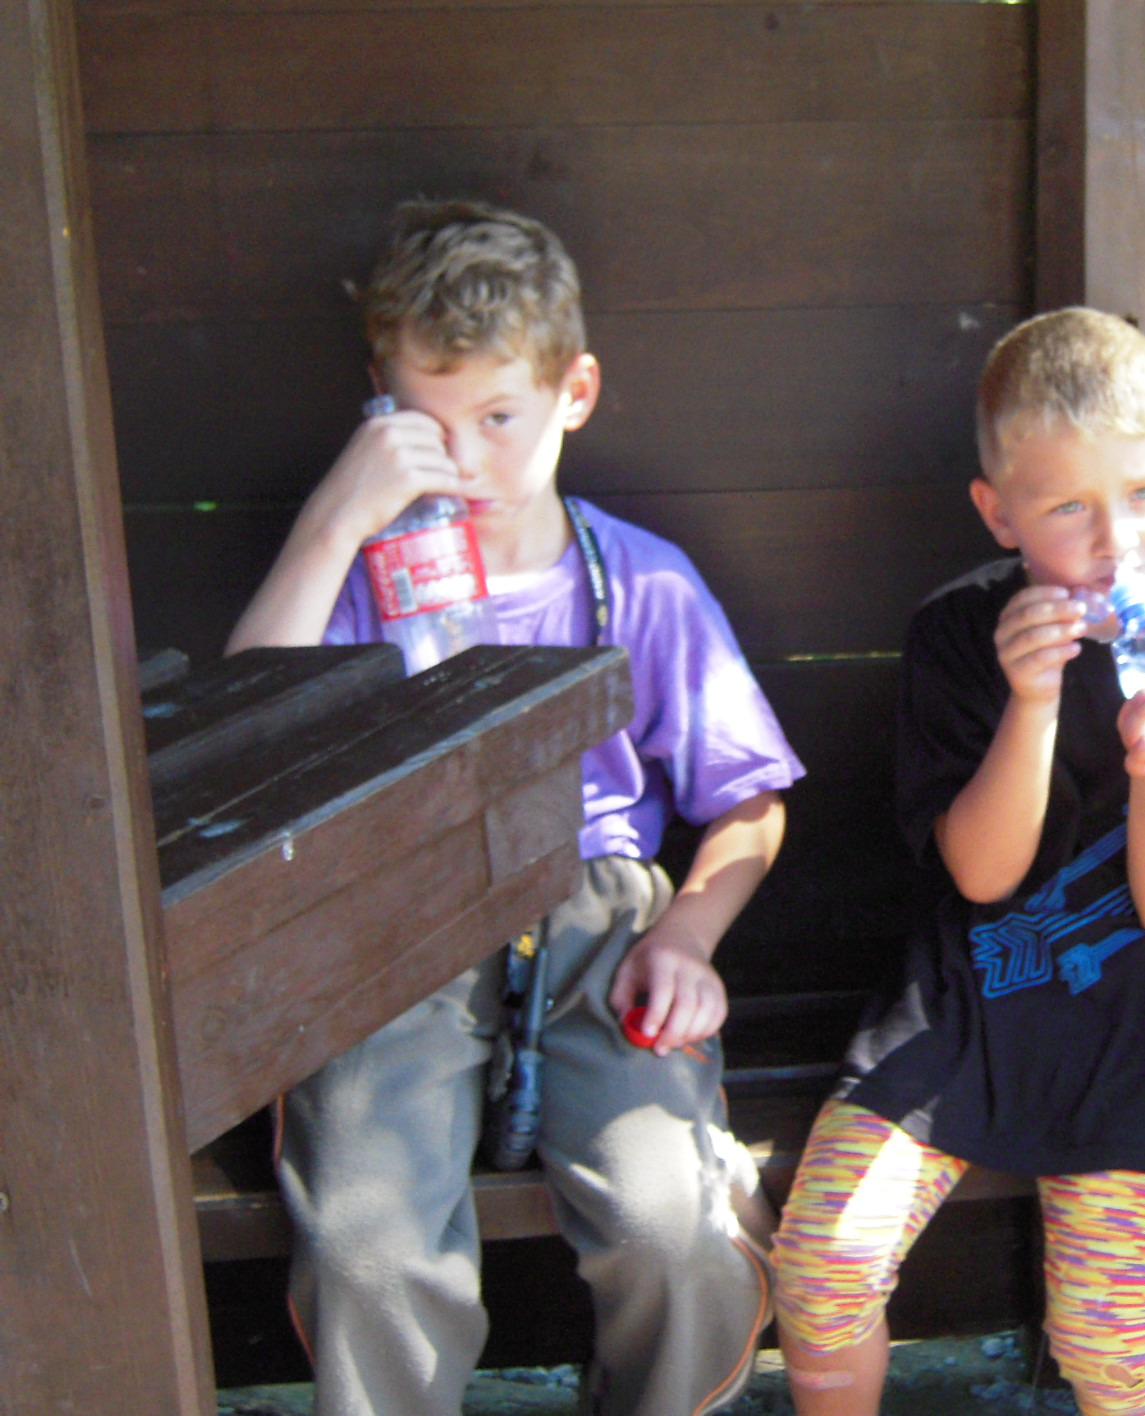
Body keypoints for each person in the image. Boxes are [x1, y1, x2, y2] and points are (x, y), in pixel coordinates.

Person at [227, 199, 803, 1416]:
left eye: (498, 418)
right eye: (422, 427)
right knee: (368, 1250)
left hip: (598, 926)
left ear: (572, 393)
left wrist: (687, 934)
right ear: (376, 412)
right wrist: (337, 519)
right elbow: (247, 736)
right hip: (396, 928)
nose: (465, 461)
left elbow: (748, 802)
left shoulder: (638, 582)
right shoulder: (358, 578)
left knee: (672, 1226)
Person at [768, 307, 1145, 1416]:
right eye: (1068, 509)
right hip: (964, 1006)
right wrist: (1032, 701)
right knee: (820, 1270)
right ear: (998, 513)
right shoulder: (963, 633)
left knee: (1108, 1340)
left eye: (1144, 495)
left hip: (1141, 1025)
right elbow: (981, 876)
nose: (1116, 542)